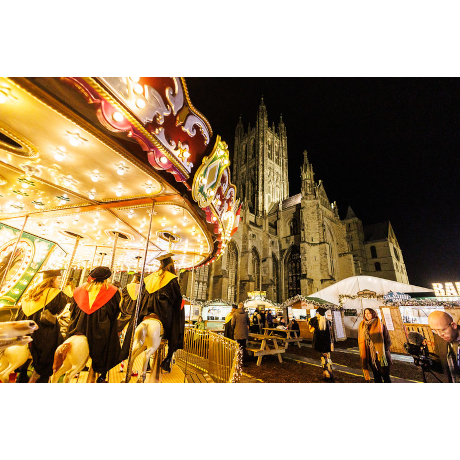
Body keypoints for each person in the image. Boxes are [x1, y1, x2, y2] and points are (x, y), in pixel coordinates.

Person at [120, 253, 184, 373]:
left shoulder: (149, 278)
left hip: (146, 312)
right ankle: (169, 355)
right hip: (163, 313)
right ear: (171, 265)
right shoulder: (172, 279)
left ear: (160, 265)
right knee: (176, 323)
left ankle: (126, 352)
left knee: (136, 323)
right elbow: (177, 300)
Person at [66, 266, 121, 383]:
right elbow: (114, 313)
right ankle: (102, 375)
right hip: (100, 330)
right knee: (111, 341)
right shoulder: (112, 291)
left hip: (79, 327)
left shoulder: (79, 290)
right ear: (106, 278)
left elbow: (72, 311)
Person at [15, 269, 68, 382]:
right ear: (52, 279)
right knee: (56, 342)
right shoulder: (56, 294)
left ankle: (22, 375)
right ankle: (43, 375)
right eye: (58, 278)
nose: (60, 280)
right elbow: (57, 311)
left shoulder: (31, 292)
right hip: (42, 330)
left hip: (24, 328)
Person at [358, 308, 392, 383]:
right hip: (370, 355)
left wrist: (382, 351)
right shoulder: (362, 325)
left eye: (369, 313)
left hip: (380, 356)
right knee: (376, 376)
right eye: (365, 313)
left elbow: (388, 340)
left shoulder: (380, 325)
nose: (366, 315)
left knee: (385, 376)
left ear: (373, 314)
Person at [428, 310, 460, 382]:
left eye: (443, 330)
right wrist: (429, 363)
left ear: (453, 325)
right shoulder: (439, 339)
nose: (440, 334)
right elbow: (442, 366)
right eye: (435, 330)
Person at [308, 307, 334, 381]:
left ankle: (326, 374)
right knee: (328, 358)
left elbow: (311, 330)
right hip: (327, 343)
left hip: (320, 343)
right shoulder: (327, 322)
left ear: (318, 313)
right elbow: (330, 333)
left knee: (323, 359)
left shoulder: (315, 321)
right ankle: (329, 373)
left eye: (317, 312)